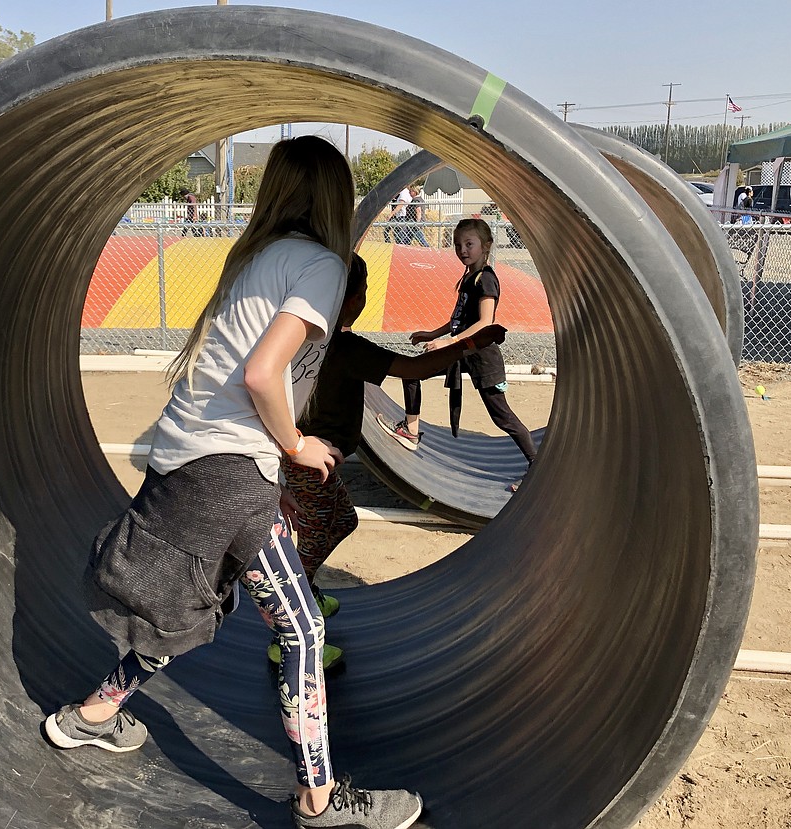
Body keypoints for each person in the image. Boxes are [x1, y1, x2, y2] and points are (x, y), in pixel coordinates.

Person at [44, 136, 424, 829]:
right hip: (228, 467)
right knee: (302, 628)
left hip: (190, 458)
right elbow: (261, 373)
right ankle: (321, 801)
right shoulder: (319, 264)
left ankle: (89, 716)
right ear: (334, 199)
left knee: (190, 606)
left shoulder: (256, 257)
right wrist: (295, 443)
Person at [278, 253, 506, 663]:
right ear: (349, 299)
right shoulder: (347, 347)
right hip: (310, 461)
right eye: (362, 291)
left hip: (309, 458)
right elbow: (414, 370)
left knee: (342, 520)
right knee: (309, 543)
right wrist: (470, 344)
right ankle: (291, 635)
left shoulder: (307, 339)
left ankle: (302, 592)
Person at [378, 218, 537, 490]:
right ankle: (411, 431)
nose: (462, 249)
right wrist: (432, 335)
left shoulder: (486, 279)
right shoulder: (469, 277)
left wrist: (448, 343)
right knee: (412, 370)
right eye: (457, 245)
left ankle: (537, 468)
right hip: (462, 352)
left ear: (486, 246)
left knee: (503, 417)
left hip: (481, 355)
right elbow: (460, 320)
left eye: (469, 244)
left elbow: (485, 323)